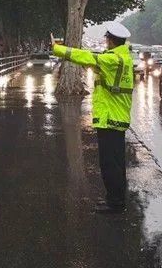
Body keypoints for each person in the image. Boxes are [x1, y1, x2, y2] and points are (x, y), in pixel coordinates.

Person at [51, 22, 134, 213]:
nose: (105, 41)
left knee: (109, 164)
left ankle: (115, 204)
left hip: (110, 118)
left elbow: (85, 57)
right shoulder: (124, 58)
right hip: (117, 117)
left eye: (107, 38)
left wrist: (58, 49)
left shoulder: (112, 59)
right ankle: (116, 199)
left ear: (112, 40)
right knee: (117, 163)